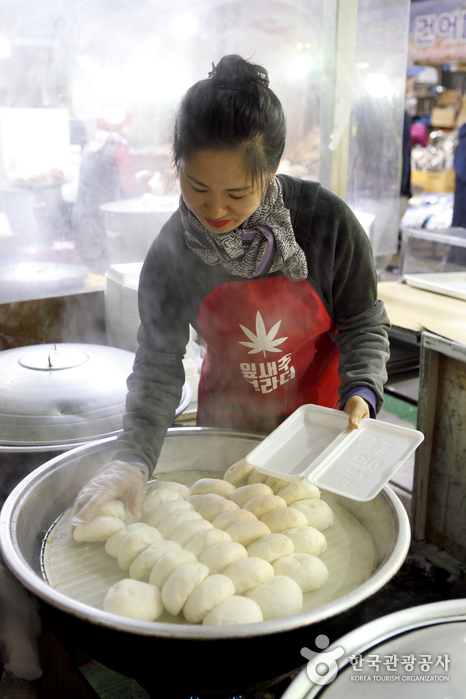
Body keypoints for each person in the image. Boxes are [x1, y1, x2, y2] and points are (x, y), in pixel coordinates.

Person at [70, 55, 390, 531]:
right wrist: (133, 457)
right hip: (225, 435)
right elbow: (158, 364)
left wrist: (363, 388)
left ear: (272, 171)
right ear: (176, 164)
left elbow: (363, 321)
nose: (215, 209)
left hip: (322, 432)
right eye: (197, 187)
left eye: (238, 194)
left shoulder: (326, 225)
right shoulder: (172, 251)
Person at [73, 105, 149, 273]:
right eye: (128, 125)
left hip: (83, 220)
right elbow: (130, 190)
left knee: (92, 274)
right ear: (121, 127)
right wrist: (151, 187)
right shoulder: (121, 152)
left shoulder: (91, 148)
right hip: (105, 225)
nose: (130, 129)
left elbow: (100, 179)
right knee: (109, 275)